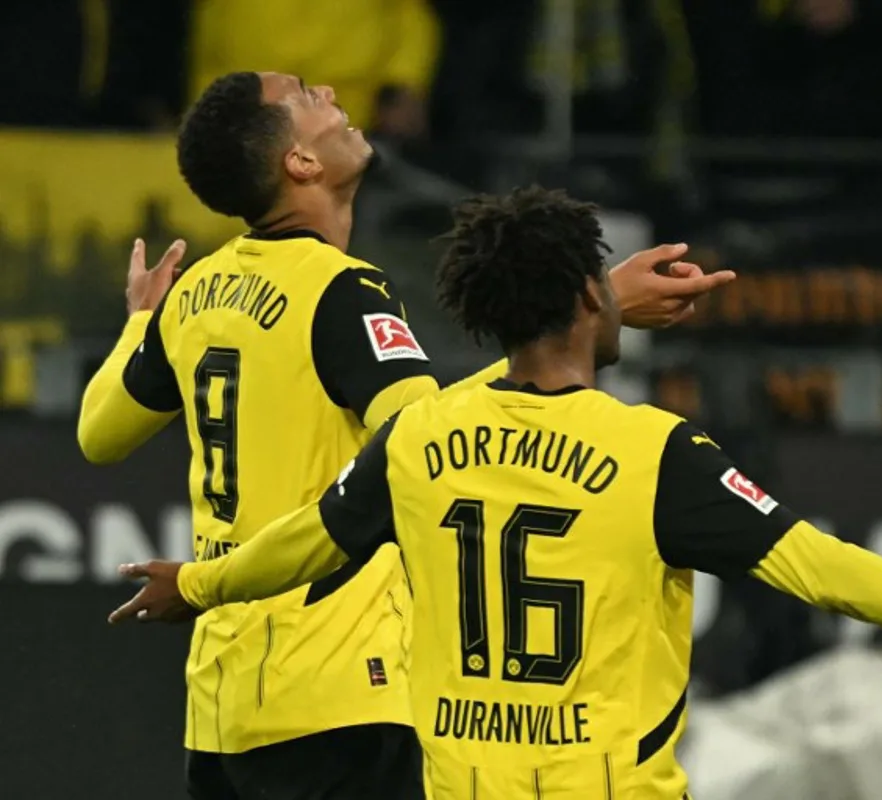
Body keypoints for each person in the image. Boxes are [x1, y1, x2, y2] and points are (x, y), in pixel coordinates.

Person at [110, 186, 882, 798]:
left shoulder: (420, 437)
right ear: (587, 298)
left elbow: (307, 543)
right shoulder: (655, 454)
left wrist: (198, 585)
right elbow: (824, 568)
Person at [79, 71, 733, 800]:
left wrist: (139, 320)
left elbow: (99, 434)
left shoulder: (197, 293)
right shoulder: (341, 290)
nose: (328, 91)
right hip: (340, 691)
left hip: (221, 704)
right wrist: (570, 327)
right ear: (300, 163)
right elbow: (431, 440)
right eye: (304, 96)